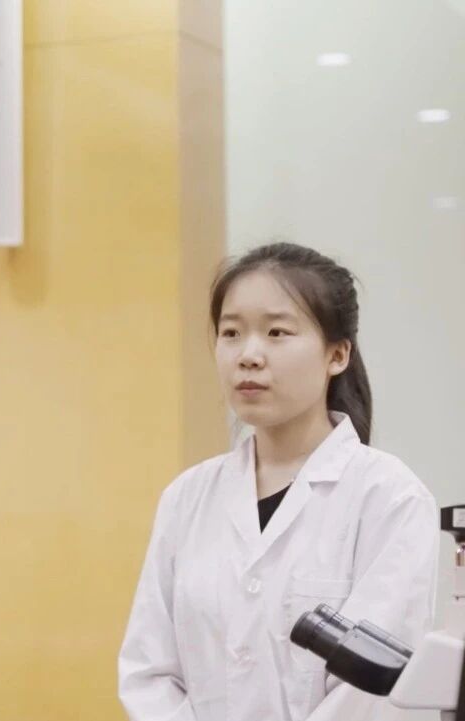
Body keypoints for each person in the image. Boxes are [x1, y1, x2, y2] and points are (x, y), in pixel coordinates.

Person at [118, 242, 439, 721]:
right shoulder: (187, 497)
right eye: (231, 332)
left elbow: (371, 692)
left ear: (337, 354)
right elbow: (150, 672)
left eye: (277, 333)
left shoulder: (390, 498)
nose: (249, 355)